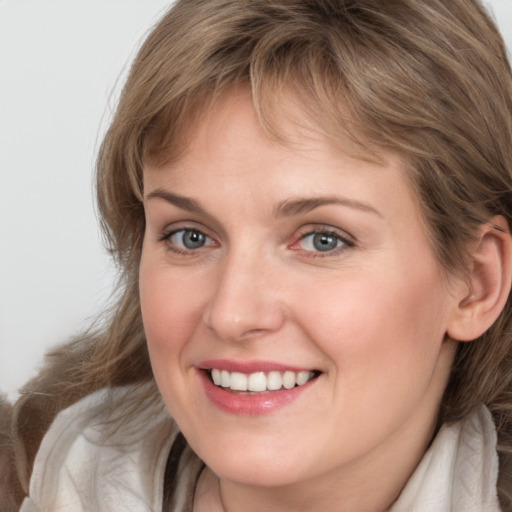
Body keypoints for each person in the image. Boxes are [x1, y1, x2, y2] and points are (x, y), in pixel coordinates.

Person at [3, 0, 512, 510]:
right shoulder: (57, 476)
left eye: (322, 240)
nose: (232, 314)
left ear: (475, 282)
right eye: (190, 237)